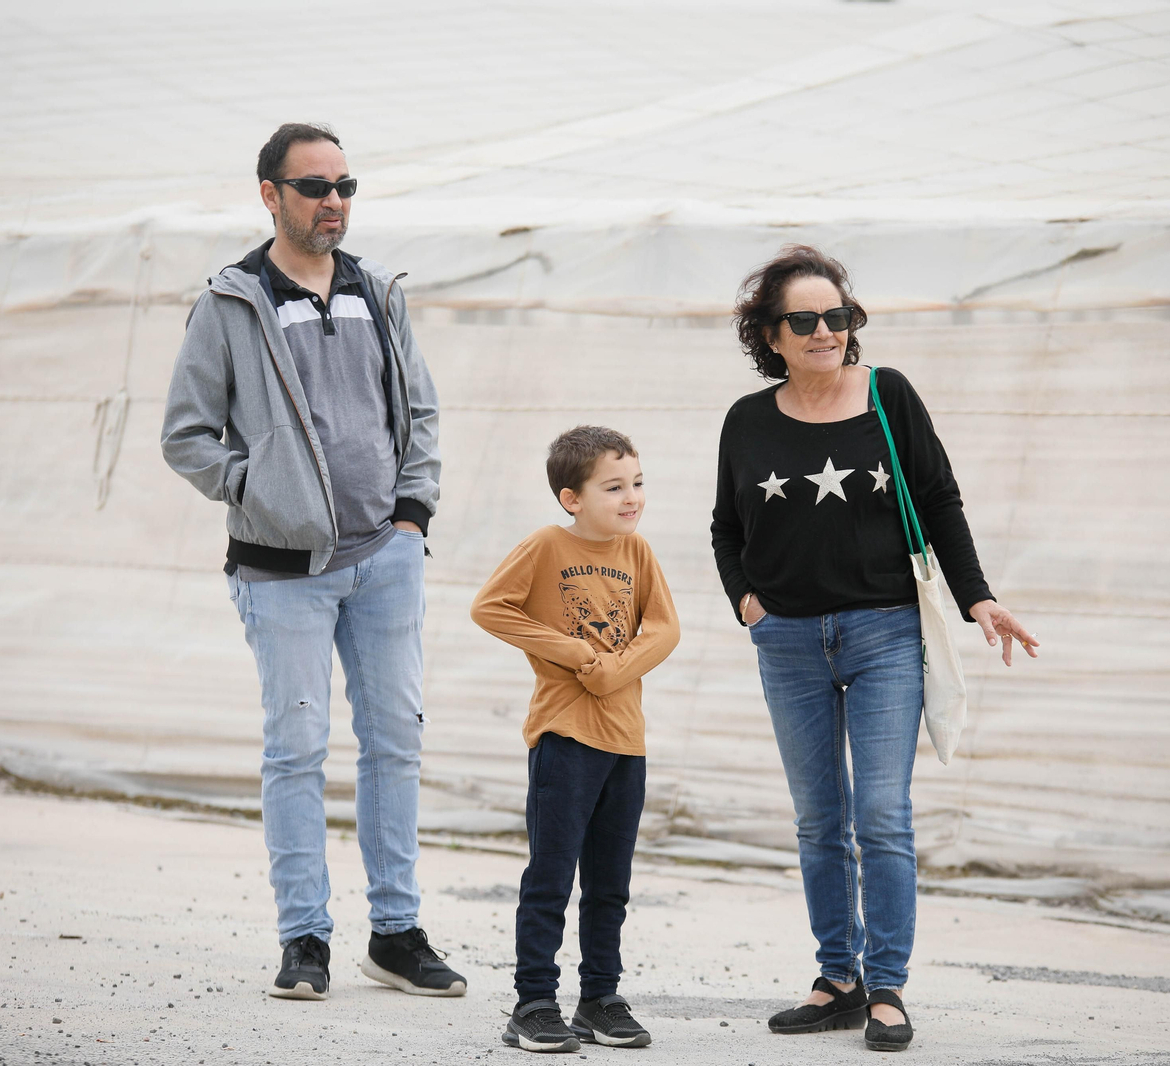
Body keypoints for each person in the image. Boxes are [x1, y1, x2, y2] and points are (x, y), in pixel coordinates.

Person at [161, 122, 465, 1001]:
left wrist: (413, 514)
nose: (334, 201)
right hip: (280, 569)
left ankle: (397, 932)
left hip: (387, 557)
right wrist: (259, 488)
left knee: (394, 746)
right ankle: (305, 939)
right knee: (297, 750)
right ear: (270, 196)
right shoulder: (230, 303)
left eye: (345, 185)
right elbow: (186, 435)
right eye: (314, 187)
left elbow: (421, 411)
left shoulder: (377, 290)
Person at [710, 245, 1037, 1052]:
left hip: (886, 632)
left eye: (839, 316)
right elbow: (725, 528)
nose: (826, 331)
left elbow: (939, 498)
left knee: (881, 815)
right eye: (806, 320)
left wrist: (979, 597)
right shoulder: (747, 420)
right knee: (820, 818)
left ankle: (887, 985)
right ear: (770, 333)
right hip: (786, 641)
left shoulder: (889, 394)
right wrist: (746, 602)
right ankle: (839, 979)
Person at [470, 426, 681, 1053]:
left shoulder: (637, 552)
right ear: (572, 498)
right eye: (613, 487)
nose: (631, 497)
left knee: (610, 880)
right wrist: (569, 651)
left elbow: (665, 629)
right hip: (564, 737)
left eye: (637, 483)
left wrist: (615, 668)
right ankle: (533, 1002)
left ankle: (599, 998)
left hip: (626, 742)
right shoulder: (545, 546)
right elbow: (491, 608)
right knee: (552, 874)